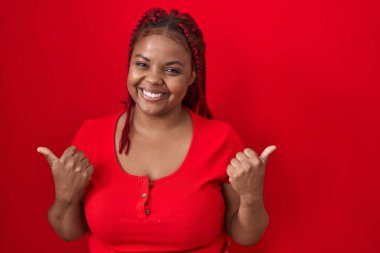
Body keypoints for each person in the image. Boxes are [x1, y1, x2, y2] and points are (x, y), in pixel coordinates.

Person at [37, 7, 276, 253]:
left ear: (192, 76)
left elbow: (247, 237)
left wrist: (251, 195)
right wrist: (66, 194)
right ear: (129, 65)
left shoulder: (221, 139)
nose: (153, 79)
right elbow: (68, 232)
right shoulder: (91, 136)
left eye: (172, 70)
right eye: (142, 64)